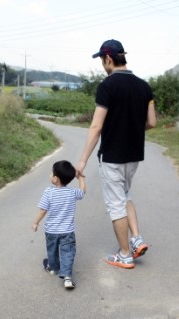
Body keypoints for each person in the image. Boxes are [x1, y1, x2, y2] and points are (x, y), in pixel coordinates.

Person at [76, 39, 156, 269]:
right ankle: (136, 239)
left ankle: (124, 254)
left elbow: (96, 127)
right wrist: (131, 126)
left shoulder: (108, 86)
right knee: (125, 195)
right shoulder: (144, 86)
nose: (103, 65)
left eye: (102, 60)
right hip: (134, 155)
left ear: (108, 58)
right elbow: (151, 122)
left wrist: (82, 161)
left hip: (112, 156)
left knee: (116, 205)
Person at [32, 160, 86, 289]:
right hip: (67, 231)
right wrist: (81, 178)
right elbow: (82, 191)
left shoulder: (48, 192)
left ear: (55, 179)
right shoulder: (72, 192)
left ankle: (53, 267)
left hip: (51, 230)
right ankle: (67, 277)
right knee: (68, 252)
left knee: (52, 250)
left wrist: (35, 222)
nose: (50, 174)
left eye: (52, 173)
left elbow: (42, 210)